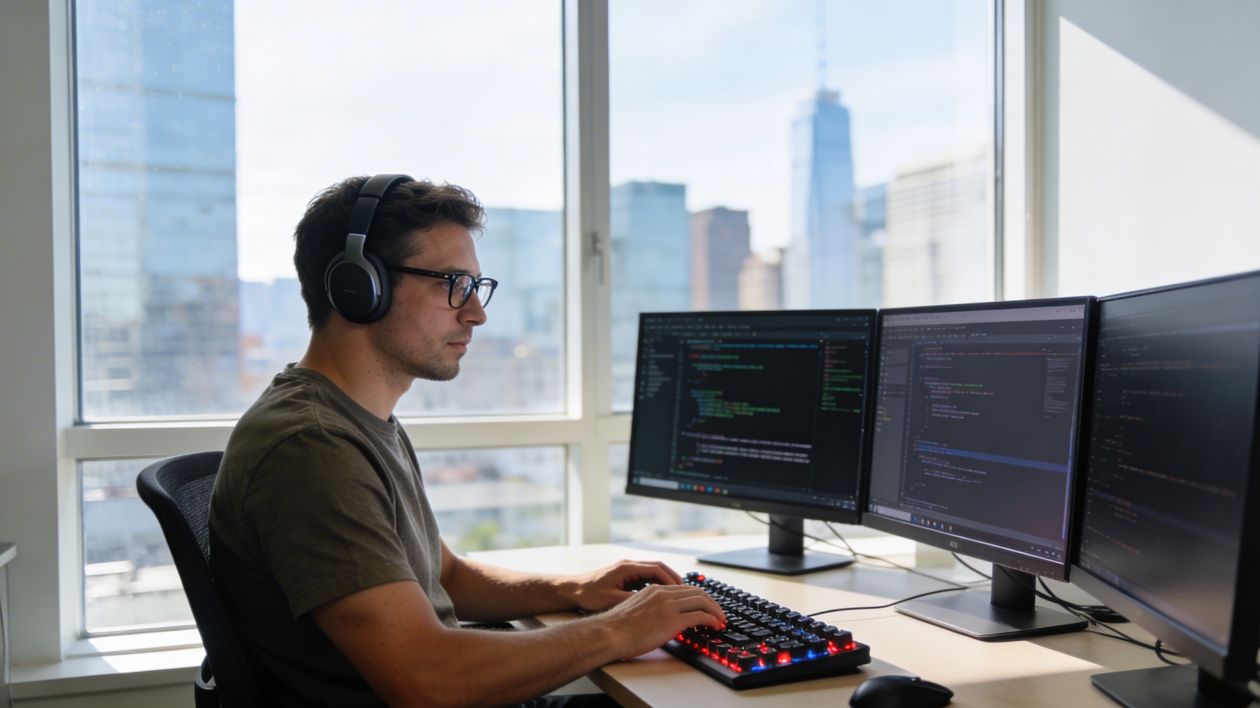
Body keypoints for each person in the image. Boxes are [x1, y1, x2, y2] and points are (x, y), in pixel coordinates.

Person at [208, 174, 725, 707]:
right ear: (359, 287)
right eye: (452, 283)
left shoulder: (359, 420)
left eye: (476, 286)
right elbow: (426, 680)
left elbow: (445, 574)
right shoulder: (311, 447)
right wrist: (617, 630)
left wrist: (573, 588)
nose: (476, 312)